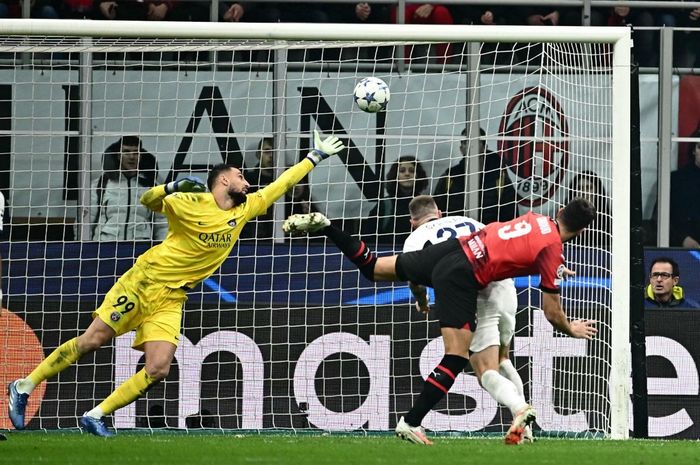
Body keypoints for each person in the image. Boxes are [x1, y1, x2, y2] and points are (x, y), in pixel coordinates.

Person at [7, 130, 345, 437]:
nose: (247, 182)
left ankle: (96, 414)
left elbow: (281, 184)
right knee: (92, 340)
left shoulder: (245, 209)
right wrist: (170, 187)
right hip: (144, 281)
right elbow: (148, 202)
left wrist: (314, 157)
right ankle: (24, 385)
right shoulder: (190, 201)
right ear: (223, 180)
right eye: (240, 176)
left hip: (172, 299)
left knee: (158, 367)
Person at [283, 196, 598, 445]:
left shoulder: (536, 218)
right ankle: (411, 422)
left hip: (453, 251)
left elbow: (520, 243)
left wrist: (552, 265)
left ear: (558, 210)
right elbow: (551, 312)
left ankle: (327, 226)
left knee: (374, 267)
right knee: (461, 357)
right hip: (467, 279)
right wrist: (571, 328)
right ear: (582, 231)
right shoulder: (552, 249)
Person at [91, 136, 167, 242]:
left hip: (141, 248)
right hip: (105, 248)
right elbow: (86, 221)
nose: (132, 157)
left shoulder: (152, 187)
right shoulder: (100, 184)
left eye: (136, 152)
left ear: (141, 156)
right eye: (126, 152)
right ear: (118, 156)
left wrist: (162, 250)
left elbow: (162, 224)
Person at [434, 128, 516, 223]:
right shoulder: (450, 176)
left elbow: (511, 216)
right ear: (461, 148)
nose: (470, 145)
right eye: (465, 142)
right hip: (456, 235)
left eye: (475, 142)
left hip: (489, 234)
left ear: (485, 147)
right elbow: (437, 211)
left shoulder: (499, 177)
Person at [670, 130, 700, 248]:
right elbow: (661, 218)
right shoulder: (676, 180)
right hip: (683, 250)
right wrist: (683, 239)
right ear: (693, 150)